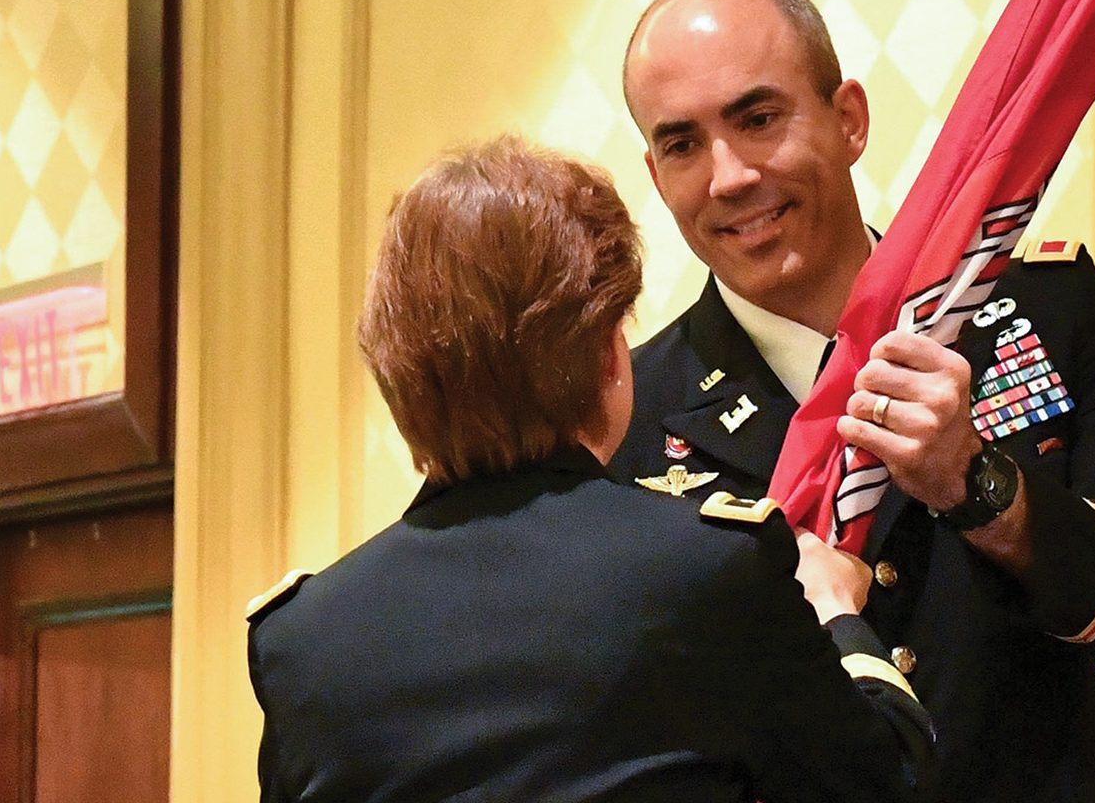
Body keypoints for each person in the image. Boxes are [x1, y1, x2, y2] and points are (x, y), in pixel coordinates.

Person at [612, 0, 1095, 802]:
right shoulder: (625, 420)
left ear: (849, 120)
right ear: (656, 175)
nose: (729, 176)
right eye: (683, 143)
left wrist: (984, 490)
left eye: (758, 118)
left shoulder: (1035, 313)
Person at [245, 137, 936, 803]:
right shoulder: (705, 570)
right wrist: (837, 615)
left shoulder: (301, 640)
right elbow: (887, 782)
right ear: (610, 355)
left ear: (399, 379)